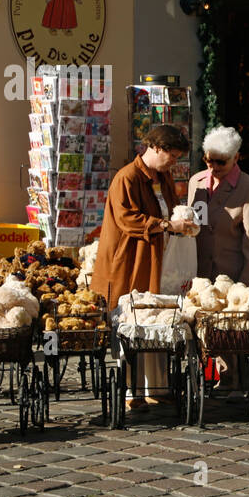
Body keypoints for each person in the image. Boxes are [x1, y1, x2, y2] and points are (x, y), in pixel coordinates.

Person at [93, 124, 194, 408]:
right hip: (130, 261)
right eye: (172, 156)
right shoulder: (127, 178)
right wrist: (165, 225)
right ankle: (130, 391)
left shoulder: (164, 176)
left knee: (156, 321)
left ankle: (156, 386)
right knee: (132, 321)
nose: (174, 162)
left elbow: (169, 210)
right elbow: (129, 219)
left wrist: (181, 224)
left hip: (157, 259)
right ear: (157, 148)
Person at [187, 125, 249, 284]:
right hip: (197, 275)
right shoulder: (196, 181)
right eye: (209, 160)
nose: (214, 167)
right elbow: (192, 227)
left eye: (221, 162)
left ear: (236, 157)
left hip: (231, 278)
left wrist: (246, 286)